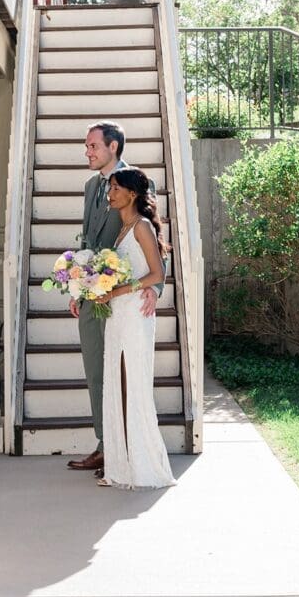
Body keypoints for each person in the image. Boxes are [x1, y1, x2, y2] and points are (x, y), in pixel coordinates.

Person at [67, 122, 158, 474]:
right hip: (94, 296)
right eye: (87, 146)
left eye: (93, 146)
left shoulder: (135, 181)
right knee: (95, 371)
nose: (87, 152)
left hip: (123, 300)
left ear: (114, 146)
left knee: (122, 375)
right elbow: (87, 243)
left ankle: (124, 449)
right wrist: (78, 287)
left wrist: (154, 287)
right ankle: (106, 446)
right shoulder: (91, 187)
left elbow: (151, 233)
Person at [94, 168, 175, 489]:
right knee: (118, 383)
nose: (110, 194)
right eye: (109, 188)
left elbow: (156, 274)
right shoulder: (123, 228)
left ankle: (144, 467)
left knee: (134, 385)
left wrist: (114, 291)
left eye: (115, 189)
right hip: (118, 314)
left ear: (132, 194)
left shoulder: (140, 227)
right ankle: (122, 465)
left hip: (134, 314)